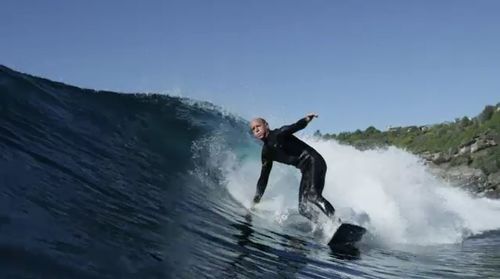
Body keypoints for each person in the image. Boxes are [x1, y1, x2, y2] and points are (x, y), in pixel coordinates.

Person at [250, 114, 336, 223]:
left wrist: (307, 119)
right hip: (306, 170)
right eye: (253, 129)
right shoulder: (266, 153)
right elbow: (263, 179)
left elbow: (296, 126)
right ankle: (323, 225)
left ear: (266, 125)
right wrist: (255, 201)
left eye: (258, 126)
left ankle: (336, 222)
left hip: (315, 161)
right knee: (303, 209)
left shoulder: (279, 134)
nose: (256, 130)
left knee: (313, 196)